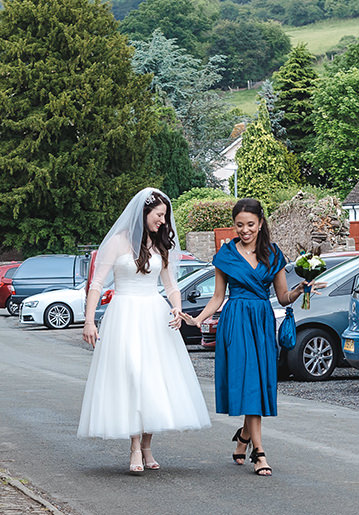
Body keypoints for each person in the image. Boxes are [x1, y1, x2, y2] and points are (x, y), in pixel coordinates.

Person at [182, 197, 324, 477]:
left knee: (257, 383)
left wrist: (301, 290)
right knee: (248, 383)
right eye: (239, 225)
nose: (244, 230)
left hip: (261, 321)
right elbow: (218, 297)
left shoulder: (273, 254)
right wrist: (198, 319)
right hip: (235, 321)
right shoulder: (225, 256)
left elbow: (283, 297)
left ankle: (244, 439)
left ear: (260, 223)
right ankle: (259, 453)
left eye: (250, 224)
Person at [79, 188, 210, 474]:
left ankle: (148, 444)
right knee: (132, 377)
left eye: (165, 216)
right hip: (124, 314)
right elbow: (97, 284)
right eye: (159, 215)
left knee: (152, 379)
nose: (163, 221)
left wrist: (176, 308)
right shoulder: (116, 242)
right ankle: (134, 445)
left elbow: (172, 286)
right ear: (144, 213)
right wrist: (89, 320)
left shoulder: (160, 246)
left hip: (154, 315)